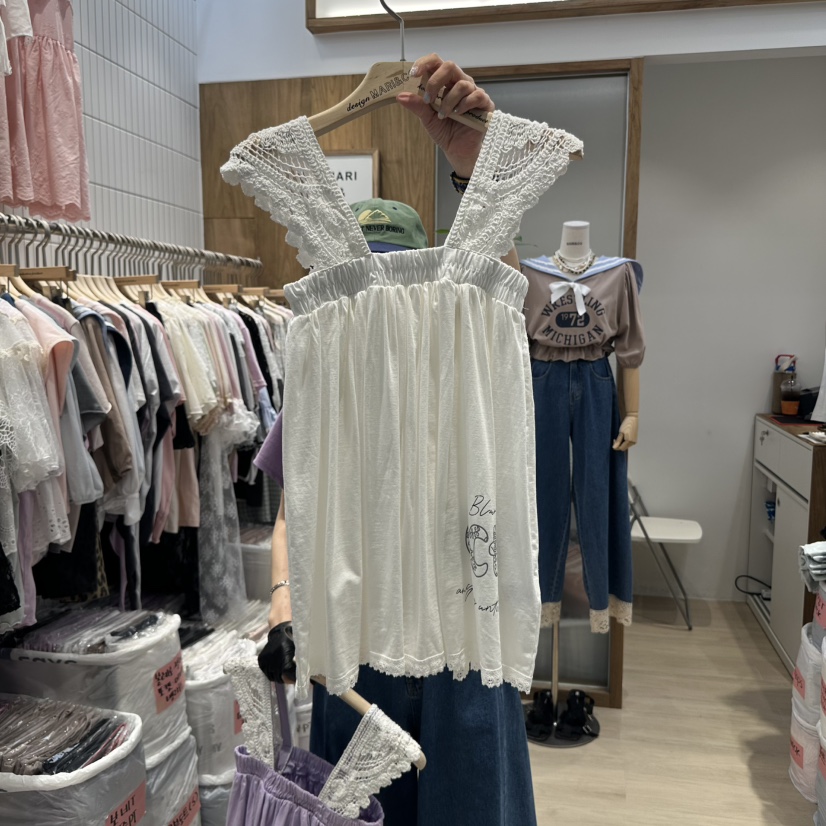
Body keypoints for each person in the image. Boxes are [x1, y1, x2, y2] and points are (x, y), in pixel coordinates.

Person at [255, 54, 537, 826]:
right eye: (370, 287)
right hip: (354, 649)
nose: (388, 314)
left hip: (468, 640)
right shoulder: (332, 380)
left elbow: (500, 297)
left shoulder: (472, 361)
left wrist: (475, 165)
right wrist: (283, 611)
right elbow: (291, 515)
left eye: (403, 281)